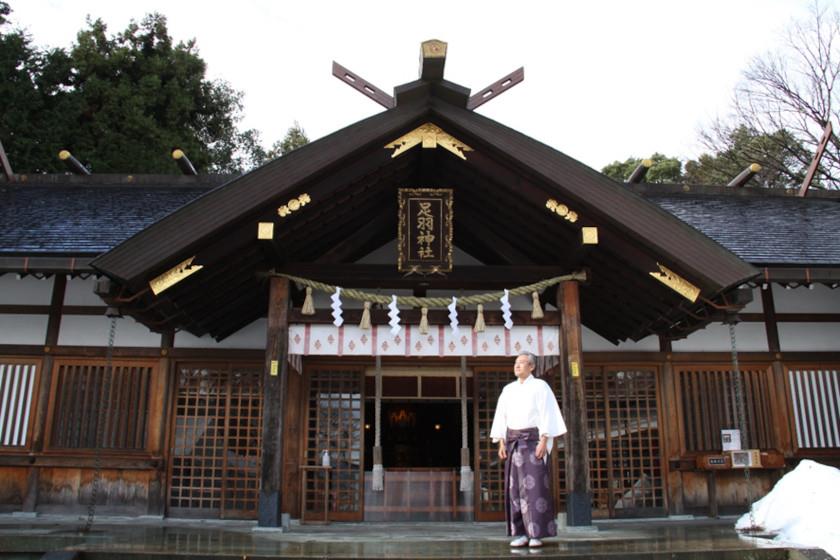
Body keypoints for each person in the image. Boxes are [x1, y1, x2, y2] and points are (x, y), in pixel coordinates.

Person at [490, 352, 566, 549]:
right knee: (515, 489)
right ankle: (520, 533)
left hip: (533, 442)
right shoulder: (508, 390)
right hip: (513, 442)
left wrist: (544, 439)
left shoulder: (540, 387)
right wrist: (500, 441)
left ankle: (536, 534)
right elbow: (501, 416)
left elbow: (547, 413)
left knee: (536, 489)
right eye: (516, 363)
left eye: (522, 363)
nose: (517, 366)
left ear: (532, 367)